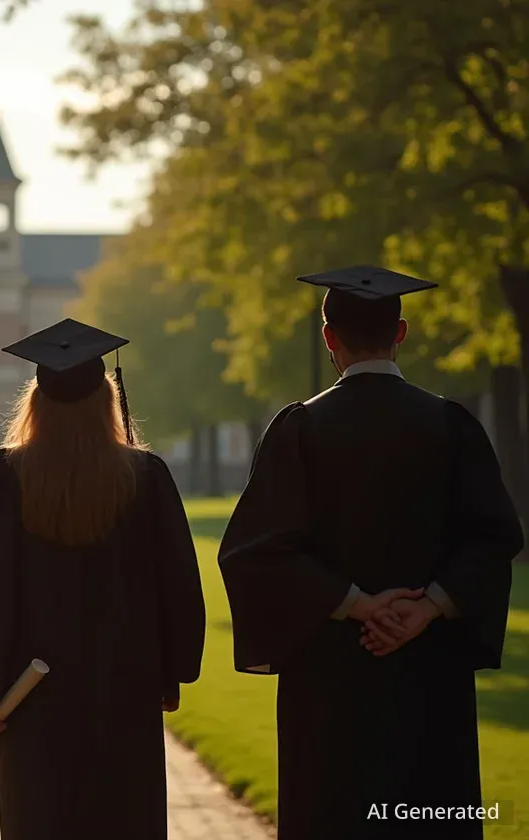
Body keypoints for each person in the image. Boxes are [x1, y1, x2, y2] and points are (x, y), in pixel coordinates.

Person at [218, 265, 523, 840]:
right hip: (429, 683)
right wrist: (428, 607)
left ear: (328, 337)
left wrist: (355, 604)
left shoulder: (300, 430)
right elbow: (495, 537)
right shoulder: (450, 425)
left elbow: (255, 553)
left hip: (330, 687)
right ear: (401, 332)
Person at [0, 318, 206, 840]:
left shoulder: (6, 475)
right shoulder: (147, 477)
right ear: (108, 401)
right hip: (123, 699)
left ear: (37, 403)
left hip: (33, 704)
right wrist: (169, 673)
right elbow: (179, 589)